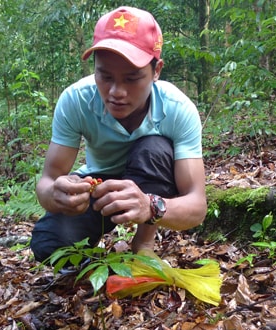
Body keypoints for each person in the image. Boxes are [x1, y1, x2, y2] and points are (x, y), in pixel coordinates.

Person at [30, 6, 207, 263]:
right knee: (50, 245)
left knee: (154, 148)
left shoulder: (177, 109)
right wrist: (56, 195)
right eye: (105, 76)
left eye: (132, 78)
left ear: (156, 70)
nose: (116, 92)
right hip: (99, 185)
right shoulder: (76, 100)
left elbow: (197, 205)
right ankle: (97, 265)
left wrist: (150, 206)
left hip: (151, 182)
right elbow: (47, 181)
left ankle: (144, 242)